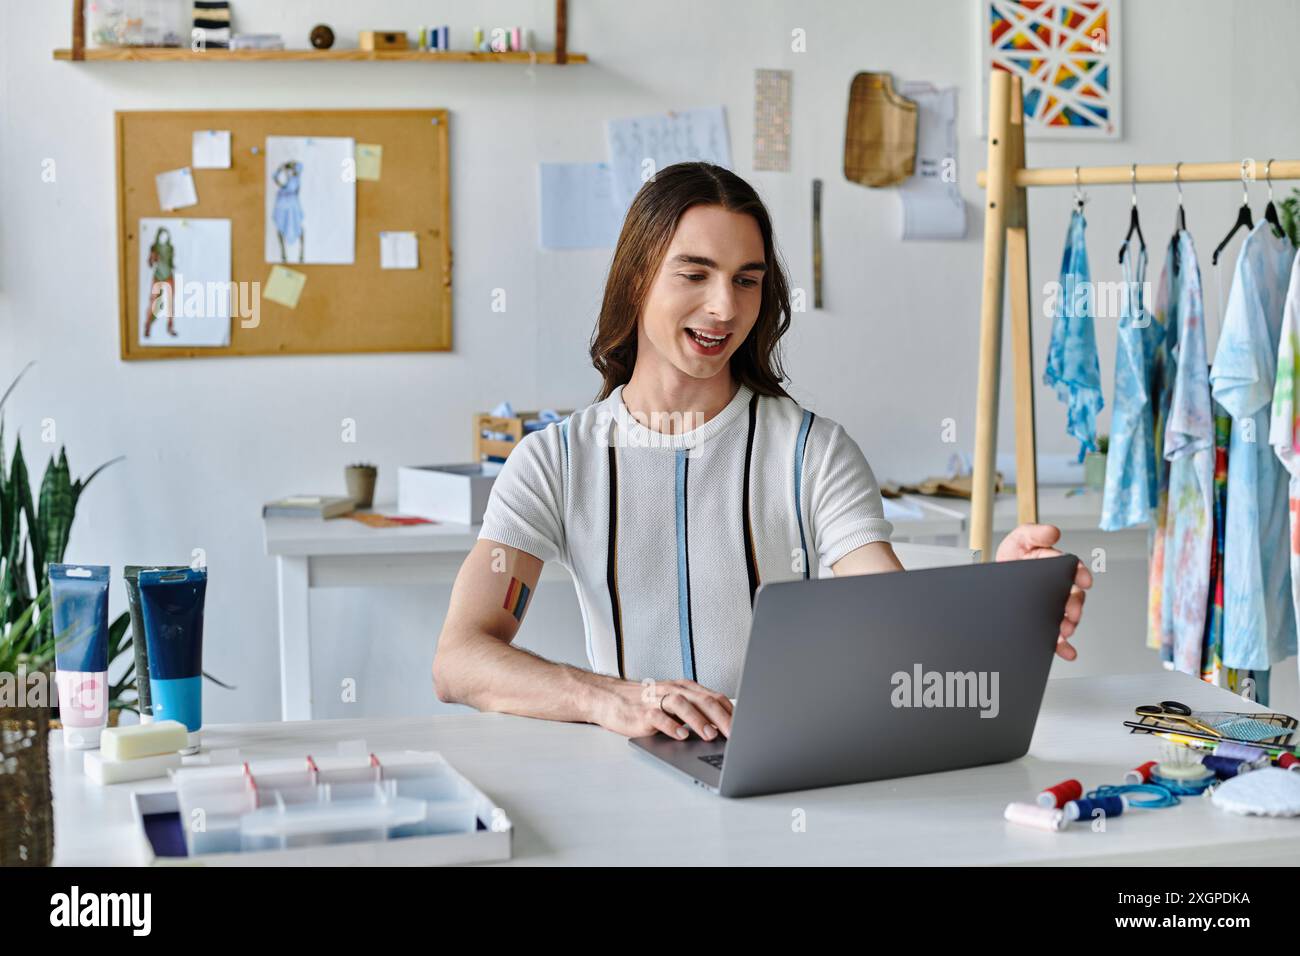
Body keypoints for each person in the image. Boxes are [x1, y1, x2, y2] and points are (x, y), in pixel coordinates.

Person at [433, 162, 1091, 743]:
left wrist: (1004, 598)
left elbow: (901, 628)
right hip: (628, 772)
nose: (724, 308)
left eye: (747, 281)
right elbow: (460, 658)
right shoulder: (556, 461)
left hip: (779, 769)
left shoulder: (812, 451)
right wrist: (614, 699)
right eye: (695, 274)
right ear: (636, 279)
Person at [145, 227, 176, 338]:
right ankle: (148, 326)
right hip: (158, 275)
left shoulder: (170, 248)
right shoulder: (154, 247)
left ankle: (170, 326)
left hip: (168, 275)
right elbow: (150, 263)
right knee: (153, 301)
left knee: (170, 303)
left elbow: (171, 262)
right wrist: (153, 258)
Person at [272, 160, 305, 264]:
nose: (289, 171)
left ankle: (301, 253)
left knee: (297, 227)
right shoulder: (285, 183)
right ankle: (283, 254)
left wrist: (289, 165)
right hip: (282, 205)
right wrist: (281, 167)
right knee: (281, 227)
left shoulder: (295, 179)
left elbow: (299, 166)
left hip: (292, 206)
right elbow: (275, 177)